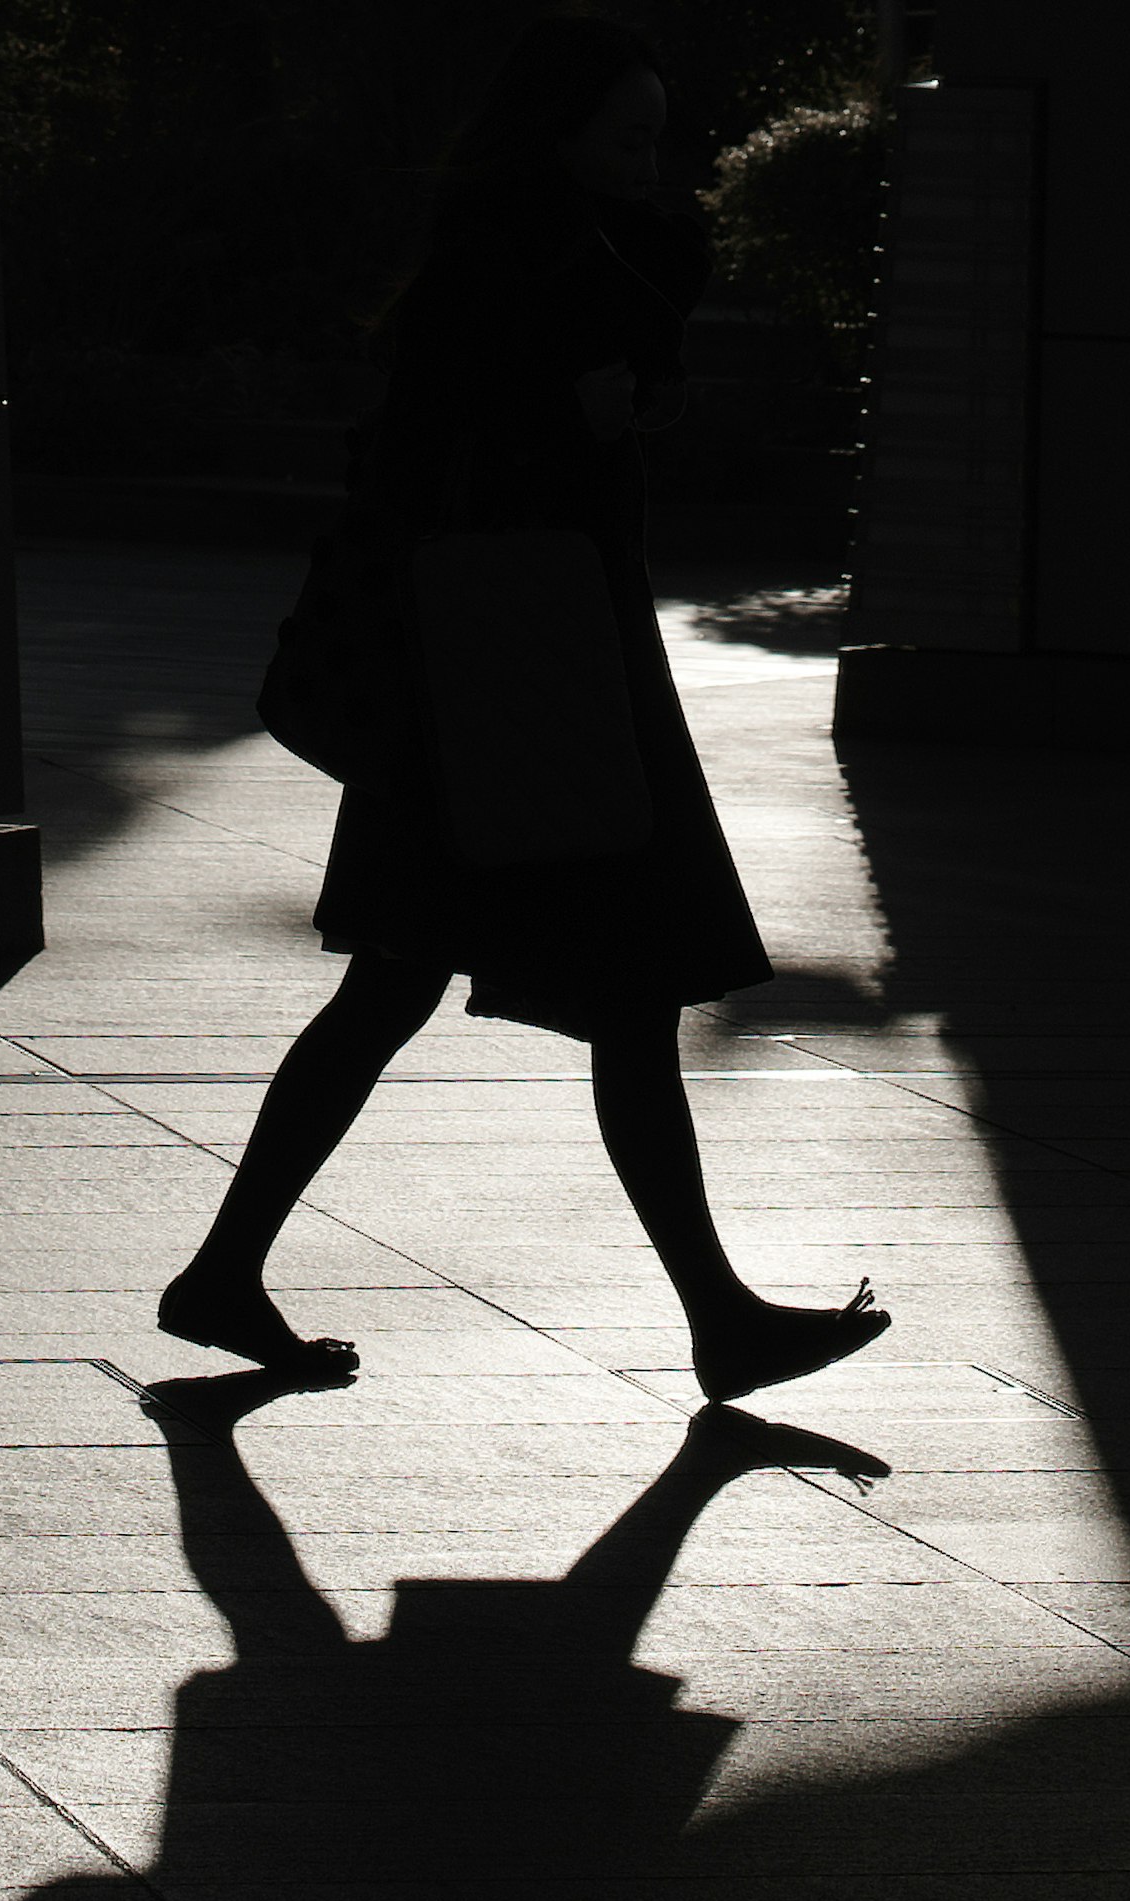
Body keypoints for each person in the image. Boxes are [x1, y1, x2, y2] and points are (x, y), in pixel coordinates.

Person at [160, 16, 890, 1408]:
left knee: (453, 985)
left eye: (653, 138)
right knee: (558, 986)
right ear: (554, 135)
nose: (646, 163)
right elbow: (444, 459)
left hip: (517, 676)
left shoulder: (565, 261)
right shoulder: (509, 274)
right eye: (623, 137)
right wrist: (582, 413)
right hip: (510, 678)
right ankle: (714, 1318)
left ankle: (231, 1272)